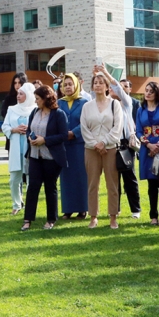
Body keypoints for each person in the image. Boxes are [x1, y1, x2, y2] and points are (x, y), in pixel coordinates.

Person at [22, 84, 69, 231]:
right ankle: (27, 219)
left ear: (45, 98)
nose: (35, 101)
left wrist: (45, 140)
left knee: (50, 187)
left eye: (37, 98)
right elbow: (29, 129)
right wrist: (30, 137)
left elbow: (63, 135)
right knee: (33, 187)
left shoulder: (59, 114)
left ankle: (51, 220)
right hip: (35, 156)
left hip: (52, 158)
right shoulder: (34, 112)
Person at [80, 71, 123, 230]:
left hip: (110, 149)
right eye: (95, 82)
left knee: (112, 184)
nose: (97, 85)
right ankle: (93, 217)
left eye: (101, 82)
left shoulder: (115, 104)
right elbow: (84, 129)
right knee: (92, 184)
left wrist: (103, 143)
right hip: (91, 150)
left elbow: (117, 128)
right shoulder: (86, 106)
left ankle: (113, 217)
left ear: (106, 86)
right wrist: (95, 145)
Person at [102, 70, 141, 219]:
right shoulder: (106, 105)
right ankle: (115, 209)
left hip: (125, 144)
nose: (112, 89)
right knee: (113, 179)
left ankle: (135, 210)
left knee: (129, 178)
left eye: (116, 88)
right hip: (110, 144)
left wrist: (105, 72)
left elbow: (117, 87)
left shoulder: (126, 103)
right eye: (110, 88)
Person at [135, 80, 159, 226]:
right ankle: (153, 216)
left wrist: (158, 145)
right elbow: (138, 130)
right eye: (146, 90)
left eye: (151, 91)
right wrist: (149, 145)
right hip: (147, 149)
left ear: (157, 93)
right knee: (152, 185)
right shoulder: (140, 110)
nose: (148, 93)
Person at [57, 73, 89, 219]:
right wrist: (64, 134)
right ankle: (68, 209)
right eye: (65, 84)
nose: (68, 87)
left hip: (79, 144)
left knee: (81, 177)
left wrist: (73, 133)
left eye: (70, 84)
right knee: (66, 178)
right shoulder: (59, 103)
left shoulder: (84, 103)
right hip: (64, 145)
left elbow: (86, 122)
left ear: (76, 85)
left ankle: (83, 209)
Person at [2, 83, 35, 215]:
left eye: (21, 94)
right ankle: (16, 204)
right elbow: (4, 126)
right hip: (16, 147)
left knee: (30, 177)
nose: (18, 96)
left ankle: (30, 205)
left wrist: (30, 130)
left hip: (30, 147)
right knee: (14, 179)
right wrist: (13, 129)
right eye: (18, 93)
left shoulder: (36, 109)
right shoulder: (12, 109)